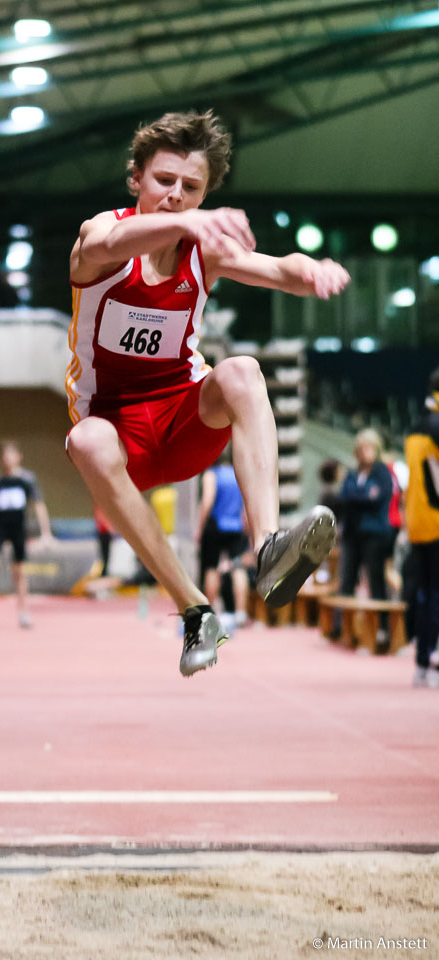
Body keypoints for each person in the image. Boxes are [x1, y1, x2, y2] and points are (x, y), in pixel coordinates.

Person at [65, 109, 348, 677]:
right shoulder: (101, 235)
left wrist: (310, 269)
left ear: (204, 193)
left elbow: (275, 267)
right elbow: (116, 239)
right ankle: (195, 610)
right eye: (163, 181)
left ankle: (268, 546)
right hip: (120, 435)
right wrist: (190, 224)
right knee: (86, 441)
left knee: (241, 369)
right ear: (137, 179)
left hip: (183, 417)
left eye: (189, 188)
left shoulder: (205, 251)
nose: (174, 196)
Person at [0, 440, 52, 629]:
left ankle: (23, 612)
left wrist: (45, 533)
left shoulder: (27, 479)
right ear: (0, 458)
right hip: (0, 528)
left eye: (11, 454)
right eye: (4, 455)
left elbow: (39, 505)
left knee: (19, 572)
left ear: (18, 456)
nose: (7, 458)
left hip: (19, 529)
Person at [337, 428, 393, 645]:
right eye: (360, 448)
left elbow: (377, 498)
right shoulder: (352, 472)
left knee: (376, 581)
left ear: (376, 448)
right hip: (352, 534)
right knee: (347, 580)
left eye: (368, 447)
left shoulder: (382, 472)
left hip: (375, 535)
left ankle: (382, 630)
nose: (364, 451)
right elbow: (345, 496)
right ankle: (344, 628)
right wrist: (364, 495)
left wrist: (357, 497)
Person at [405, 368, 439, 688]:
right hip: (437, 520)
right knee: (434, 594)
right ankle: (429, 658)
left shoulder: (417, 425)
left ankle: (421, 660)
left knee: (425, 591)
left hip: (417, 521)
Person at [198, 451, 249, 630]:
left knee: (211, 568)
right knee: (237, 568)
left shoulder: (212, 474)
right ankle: (241, 612)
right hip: (236, 527)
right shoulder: (238, 475)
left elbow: (207, 500)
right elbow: (245, 504)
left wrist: (199, 526)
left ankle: (210, 612)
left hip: (216, 526)